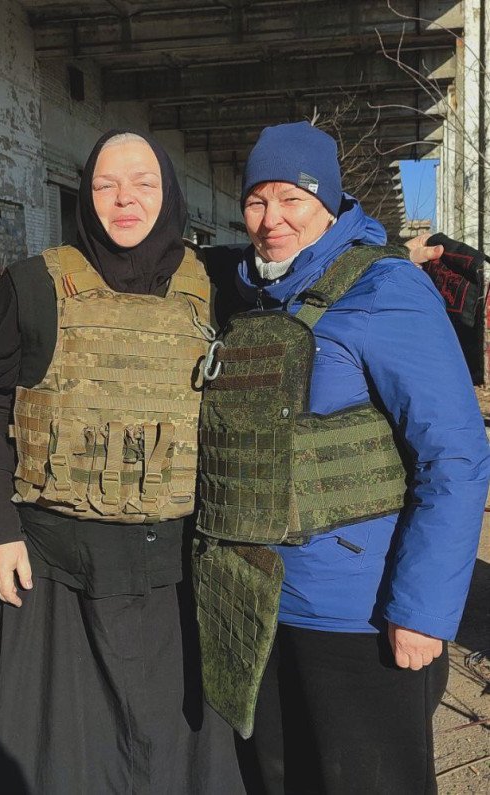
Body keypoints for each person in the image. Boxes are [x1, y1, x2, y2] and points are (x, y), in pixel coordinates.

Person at [193, 121, 490, 794]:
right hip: (261, 609)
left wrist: (421, 609)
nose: (273, 220)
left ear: (329, 204)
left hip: (361, 617)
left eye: (292, 200)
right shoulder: (251, 295)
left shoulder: (384, 290)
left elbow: (456, 456)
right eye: (257, 201)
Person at [0, 130, 245, 793]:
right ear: (84, 194)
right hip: (60, 572)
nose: (125, 200)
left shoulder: (218, 285)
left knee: (182, 763)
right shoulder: (33, 284)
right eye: (105, 185)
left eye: (143, 184)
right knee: (58, 763)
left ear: (169, 193)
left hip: (180, 575)